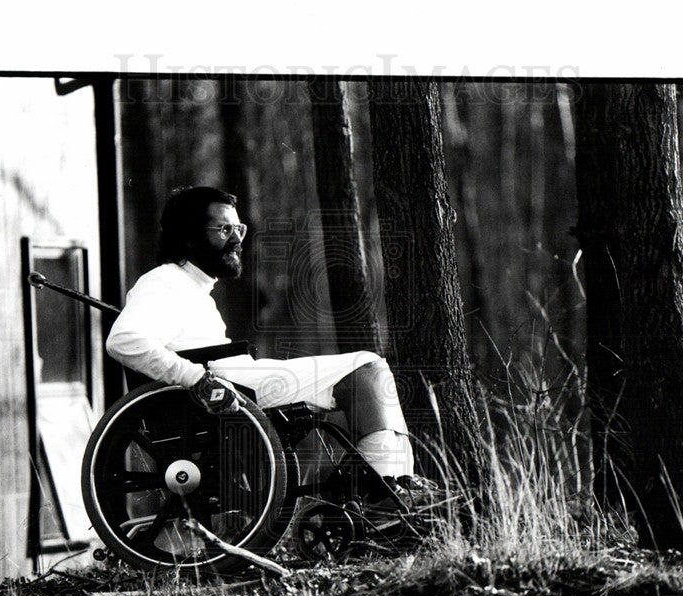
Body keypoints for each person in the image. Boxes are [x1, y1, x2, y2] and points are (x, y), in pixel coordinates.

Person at [106, 186, 437, 504]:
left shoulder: (196, 290)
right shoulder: (163, 281)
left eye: (238, 227)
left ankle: (389, 484)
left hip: (240, 382)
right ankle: (383, 495)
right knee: (366, 368)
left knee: (366, 374)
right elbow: (123, 341)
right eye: (223, 228)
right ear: (189, 236)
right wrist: (196, 379)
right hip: (229, 389)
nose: (236, 238)